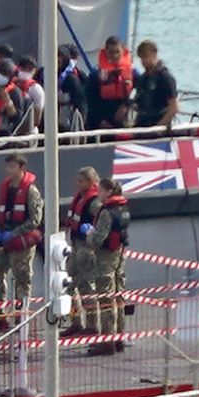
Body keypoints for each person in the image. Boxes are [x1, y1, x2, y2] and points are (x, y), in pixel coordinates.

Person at [0, 155, 43, 330]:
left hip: (21, 242)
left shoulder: (31, 191)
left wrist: (14, 234)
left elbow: (35, 220)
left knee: (22, 279)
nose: (8, 170)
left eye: (12, 167)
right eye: (7, 167)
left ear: (21, 168)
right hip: (3, 240)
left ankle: (22, 318)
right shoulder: (5, 188)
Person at [83, 179, 130, 355]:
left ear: (109, 192)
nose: (98, 194)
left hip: (106, 258)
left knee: (106, 298)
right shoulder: (123, 208)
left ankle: (107, 340)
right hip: (119, 254)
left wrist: (89, 233)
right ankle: (119, 337)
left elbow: (97, 239)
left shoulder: (106, 213)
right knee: (118, 296)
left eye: (101, 191)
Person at [62, 167, 101, 337]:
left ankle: (92, 325)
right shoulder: (80, 198)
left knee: (86, 287)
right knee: (68, 284)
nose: (77, 184)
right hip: (75, 245)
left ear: (91, 182)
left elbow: (101, 222)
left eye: (81, 181)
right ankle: (75, 321)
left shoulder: (94, 202)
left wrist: (91, 231)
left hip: (86, 247)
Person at [88, 36, 133, 129]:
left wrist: (126, 105)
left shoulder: (132, 72)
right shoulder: (96, 74)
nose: (115, 55)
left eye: (117, 52)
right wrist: (100, 120)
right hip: (101, 120)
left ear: (123, 51)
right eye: (111, 52)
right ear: (106, 52)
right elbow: (90, 100)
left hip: (122, 118)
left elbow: (140, 92)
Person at [133, 39, 179, 128]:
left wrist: (159, 127)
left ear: (154, 54)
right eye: (141, 58)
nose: (144, 61)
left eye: (146, 56)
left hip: (156, 123)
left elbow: (174, 107)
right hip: (142, 123)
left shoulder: (165, 78)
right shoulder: (142, 79)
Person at [56, 45, 87, 131]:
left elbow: (81, 103)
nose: (58, 59)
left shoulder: (71, 79)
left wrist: (80, 125)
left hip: (67, 123)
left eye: (61, 56)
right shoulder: (44, 74)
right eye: (57, 55)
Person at [15, 56, 45, 134]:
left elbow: (37, 119)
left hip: (29, 133)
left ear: (34, 71)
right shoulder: (11, 84)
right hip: (11, 130)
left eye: (30, 69)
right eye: (23, 68)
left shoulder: (36, 89)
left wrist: (20, 130)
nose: (26, 71)